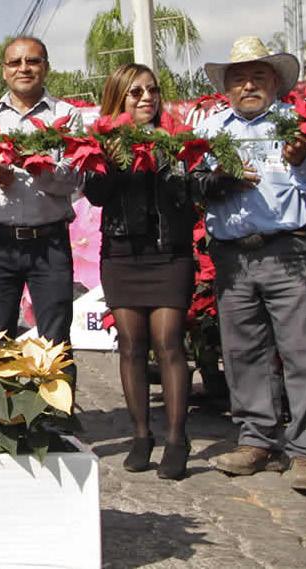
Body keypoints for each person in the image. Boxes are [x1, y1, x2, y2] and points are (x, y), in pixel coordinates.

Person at [193, 36, 306, 490]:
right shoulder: (210, 130)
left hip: (287, 250)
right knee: (242, 352)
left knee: (300, 350)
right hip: (232, 255)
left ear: (275, 83)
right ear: (227, 88)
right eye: (239, 79)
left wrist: (302, 160)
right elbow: (194, 185)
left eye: (258, 77)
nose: (249, 86)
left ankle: (303, 449)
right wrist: (219, 180)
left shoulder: (295, 128)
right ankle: (257, 440)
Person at [83, 63, 197, 480]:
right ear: (119, 98)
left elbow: (189, 189)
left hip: (169, 253)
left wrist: (172, 154)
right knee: (131, 345)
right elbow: (95, 195)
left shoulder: (176, 137)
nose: (147, 97)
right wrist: (114, 158)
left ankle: (177, 439)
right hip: (122, 253)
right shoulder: (102, 141)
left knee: (168, 342)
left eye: (152, 90)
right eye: (136, 92)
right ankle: (141, 435)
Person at [0, 36, 81, 355]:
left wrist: (37, 168)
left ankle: (54, 392)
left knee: (55, 343)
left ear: (46, 67)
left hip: (49, 244)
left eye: (32, 61)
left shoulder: (67, 116)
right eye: (15, 62)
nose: (24, 68)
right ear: (4, 71)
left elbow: (73, 179)